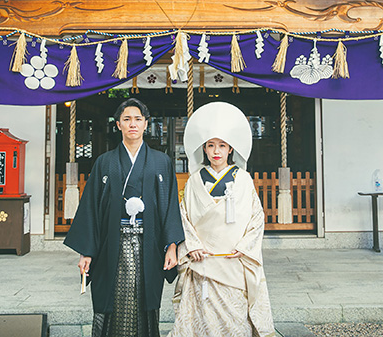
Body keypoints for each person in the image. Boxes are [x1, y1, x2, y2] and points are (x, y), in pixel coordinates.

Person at [65, 98, 184, 337]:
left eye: (138, 119)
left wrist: (172, 246)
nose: (133, 124)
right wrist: (87, 251)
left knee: (145, 298)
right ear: (118, 124)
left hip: (149, 242)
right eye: (127, 119)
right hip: (112, 242)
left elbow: (171, 206)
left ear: (146, 124)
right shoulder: (104, 162)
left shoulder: (162, 162)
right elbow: (91, 208)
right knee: (113, 296)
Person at [169, 101, 275, 337]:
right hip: (202, 259)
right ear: (204, 149)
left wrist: (246, 247)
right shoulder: (195, 180)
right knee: (200, 317)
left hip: (233, 259)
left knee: (235, 319)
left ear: (230, 149)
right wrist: (192, 245)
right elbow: (183, 216)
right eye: (211, 145)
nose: (216, 151)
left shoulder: (244, 179)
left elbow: (257, 217)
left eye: (222, 145)